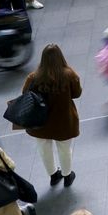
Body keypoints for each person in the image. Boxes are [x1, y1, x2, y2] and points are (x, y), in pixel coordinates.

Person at [20, 43, 81, 187]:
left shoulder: (33, 77)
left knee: (44, 149)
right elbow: (77, 94)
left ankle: (53, 175)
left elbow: (24, 94)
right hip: (63, 120)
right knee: (65, 149)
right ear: (60, 57)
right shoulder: (69, 74)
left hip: (40, 122)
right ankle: (67, 176)